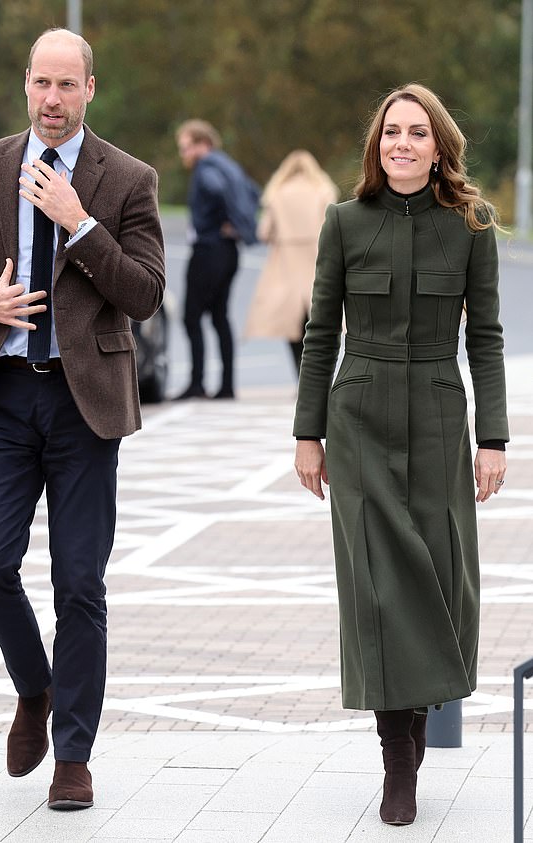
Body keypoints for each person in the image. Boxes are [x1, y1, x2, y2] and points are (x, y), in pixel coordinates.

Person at [0, 28, 165, 810]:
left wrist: (80, 222)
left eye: (67, 86)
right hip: (0, 393)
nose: (52, 100)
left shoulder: (126, 178)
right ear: (26, 85)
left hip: (83, 402)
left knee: (79, 583)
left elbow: (146, 292)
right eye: (41, 84)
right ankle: (36, 686)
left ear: (91, 89)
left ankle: (74, 757)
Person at [293, 83, 508, 825]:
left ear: (439, 145)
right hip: (358, 418)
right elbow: (321, 332)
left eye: (418, 133)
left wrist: (494, 439)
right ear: (376, 147)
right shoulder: (344, 222)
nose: (404, 144)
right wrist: (306, 434)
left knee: (439, 579)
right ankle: (396, 762)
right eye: (392, 134)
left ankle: (414, 728)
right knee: (380, 588)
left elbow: (485, 336)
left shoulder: (471, 225)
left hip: (441, 415)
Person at [175, 119, 257, 400]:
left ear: (202, 144)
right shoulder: (229, 165)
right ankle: (226, 385)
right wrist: (239, 226)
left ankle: (197, 383)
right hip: (229, 251)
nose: (183, 154)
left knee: (191, 316)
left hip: (209, 250)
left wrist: (226, 219)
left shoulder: (207, 168)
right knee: (220, 316)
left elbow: (217, 190)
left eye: (186, 147)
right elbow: (254, 192)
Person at [245, 150, 339, 373]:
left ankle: (301, 373)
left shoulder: (277, 193)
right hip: (318, 258)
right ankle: (321, 373)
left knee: (292, 325)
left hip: (286, 262)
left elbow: (264, 232)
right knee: (320, 319)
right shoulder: (323, 190)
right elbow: (334, 226)